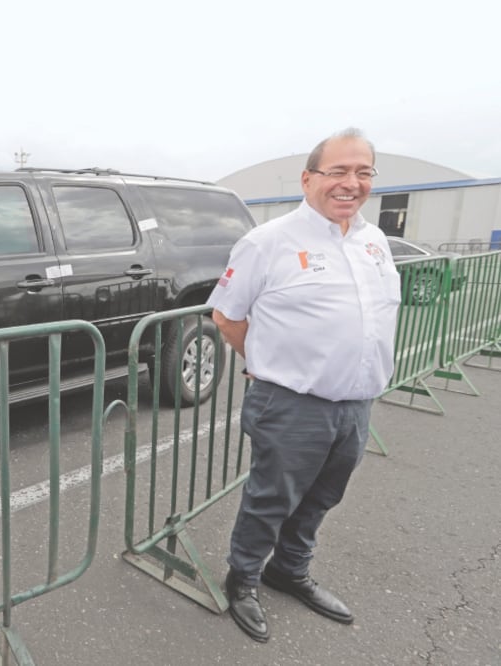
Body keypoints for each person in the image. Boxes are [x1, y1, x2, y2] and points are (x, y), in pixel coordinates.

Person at [207, 128, 400, 642]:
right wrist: (266, 361)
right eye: (337, 171)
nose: (350, 183)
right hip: (292, 404)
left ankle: (288, 570)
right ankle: (243, 579)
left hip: (356, 404)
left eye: (363, 172)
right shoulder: (268, 242)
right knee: (271, 498)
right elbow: (226, 317)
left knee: (322, 497)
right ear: (308, 178)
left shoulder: (374, 240)